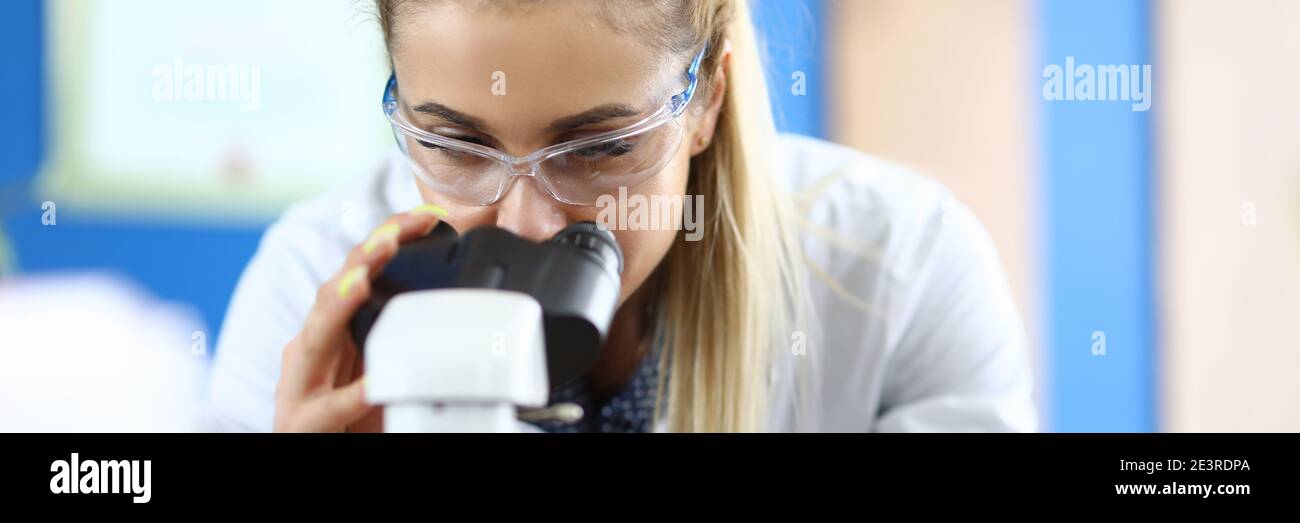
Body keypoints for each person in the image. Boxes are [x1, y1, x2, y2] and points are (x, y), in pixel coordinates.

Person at [208, 0, 1036, 433]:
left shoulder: (905, 273)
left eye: (598, 148)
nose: (528, 224)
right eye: (455, 144)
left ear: (706, 93)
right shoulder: (309, 285)